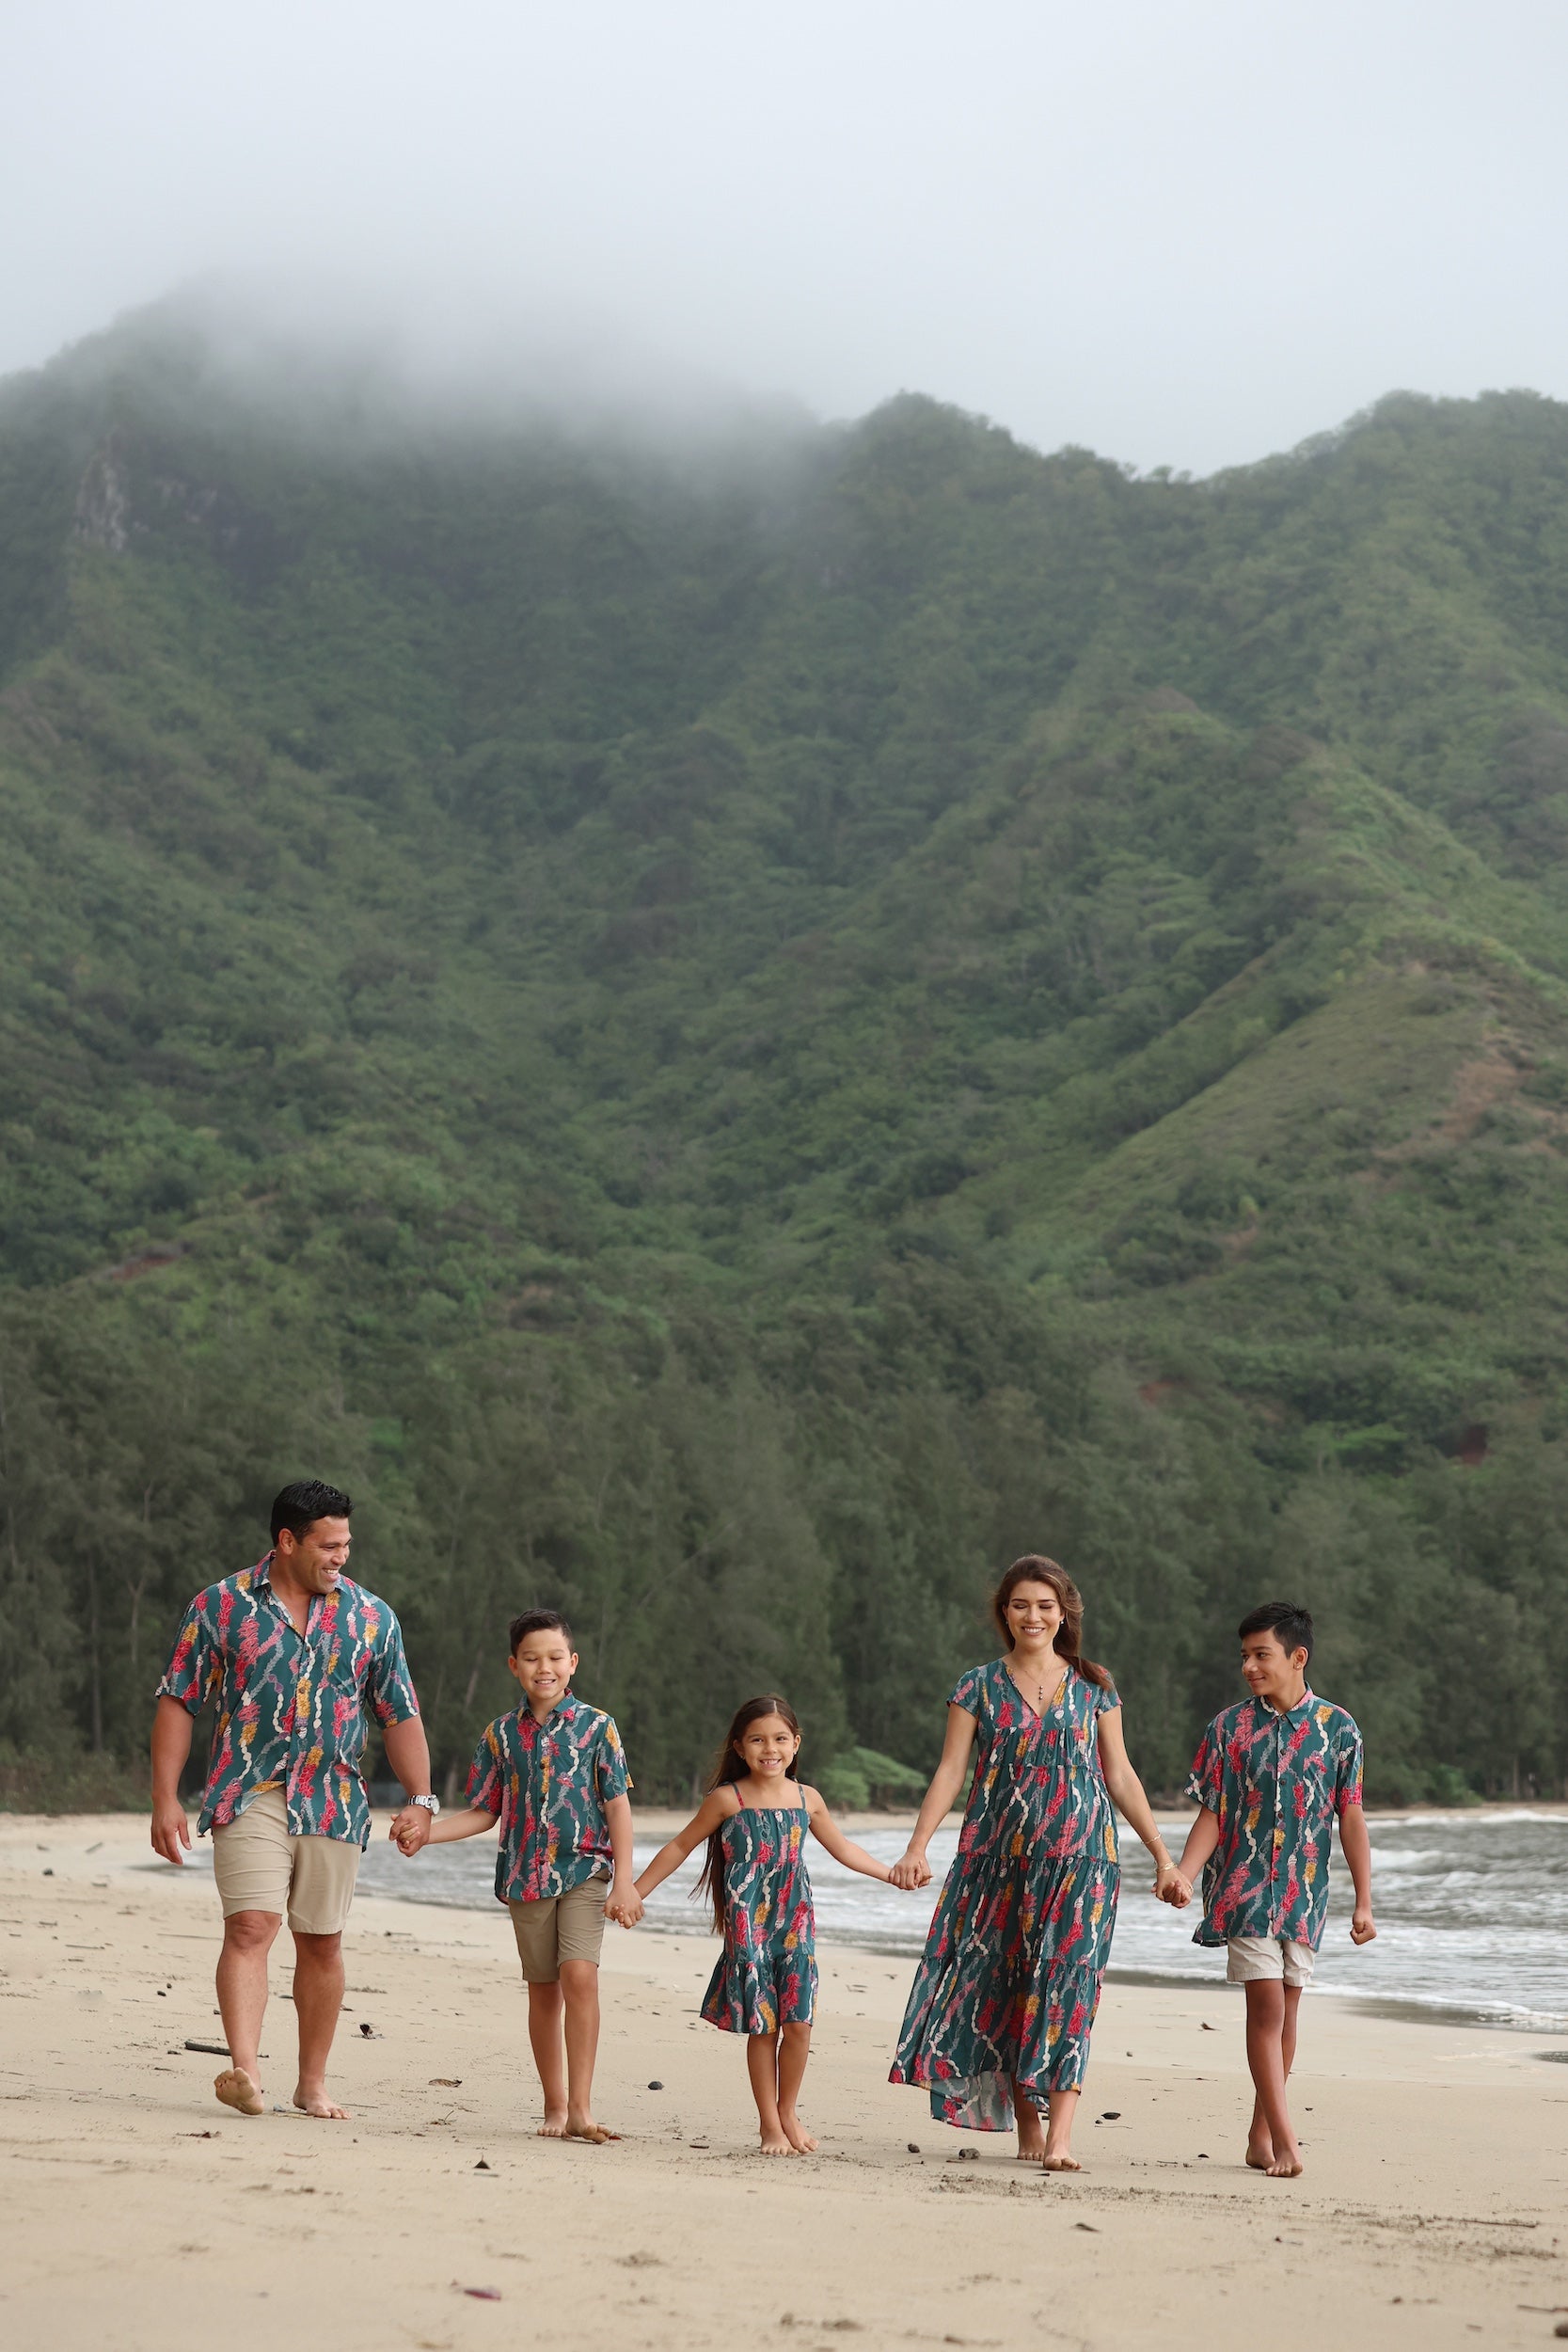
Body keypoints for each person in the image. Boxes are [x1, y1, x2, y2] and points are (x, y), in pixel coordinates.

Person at [150, 1479, 436, 2122]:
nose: (341, 1557)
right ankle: (245, 2072)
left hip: (334, 1797)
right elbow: (178, 1699)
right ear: (286, 1541)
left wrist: (420, 1798)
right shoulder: (220, 1606)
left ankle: (311, 2083)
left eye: (346, 1545)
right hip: (250, 1789)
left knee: (322, 1942)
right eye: (328, 1545)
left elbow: (400, 1713)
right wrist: (164, 1797)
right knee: (251, 1926)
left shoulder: (371, 1617)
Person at [888, 1555, 1184, 2169]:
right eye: (1021, 1604)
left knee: (1068, 1987)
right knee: (1011, 1987)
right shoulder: (976, 1685)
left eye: (1045, 1605)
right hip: (996, 1863)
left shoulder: (1093, 1684)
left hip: (1082, 1861)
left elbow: (1120, 1775)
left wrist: (1162, 1857)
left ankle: (1060, 2139)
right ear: (1004, 1612)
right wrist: (918, 1846)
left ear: (1064, 1613)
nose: (1033, 1615)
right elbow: (950, 1771)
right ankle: (1028, 2123)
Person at [395, 1609, 641, 2143]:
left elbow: (618, 1805)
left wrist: (625, 1880)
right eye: (532, 1658)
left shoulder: (599, 1727)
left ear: (572, 1663)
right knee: (543, 1991)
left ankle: (581, 2107)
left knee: (580, 1976)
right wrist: (426, 1833)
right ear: (514, 1665)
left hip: (585, 1869)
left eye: (555, 1657)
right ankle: (554, 2106)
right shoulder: (499, 1735)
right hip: (526, 1877)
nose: (544, 1667)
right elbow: (485, 1811)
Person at [634, 1695, 896, 2155]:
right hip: (747, 1924)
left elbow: (844, 1849)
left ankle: (788, 2110)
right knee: (764, 2026)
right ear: (739, 1746)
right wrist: (634, 1892)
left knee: (799, 2026)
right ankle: (769, 2125)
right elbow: (678, 1847)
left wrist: (890, 1874)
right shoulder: (726, 1799)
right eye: (757, 1739)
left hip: (795, 1923)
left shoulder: (806, 1798)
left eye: (779, 1739)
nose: (769, 1748)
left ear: (796, 1744)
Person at [1168, 1600, 1375, 2179]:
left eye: (1261, 1655)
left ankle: (1260, 2137)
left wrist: (1363, 1900)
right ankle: (1287, 2141)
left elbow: (1350, 1817)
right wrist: (1185, 1872)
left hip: (1305, 1895)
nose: (1250, 1666)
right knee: (1265, 2012)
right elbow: (1213, 1812)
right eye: (1245, 1656)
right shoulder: (1228, 1728)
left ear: (1297, 1657)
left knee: (1287, 2014)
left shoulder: (1339, 1728)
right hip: (1244, 1890)